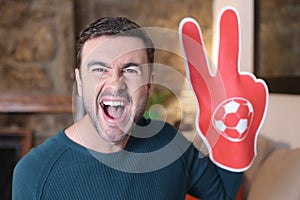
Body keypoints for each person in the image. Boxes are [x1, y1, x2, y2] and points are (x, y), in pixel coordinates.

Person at [12, 17, 243, 199]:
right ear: (80, 83)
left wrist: (236, 134)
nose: (115, 83)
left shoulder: (170, 143)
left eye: (130, 70)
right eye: (100, 69)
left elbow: (222, 194)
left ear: (150, 85)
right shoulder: (34, 173)